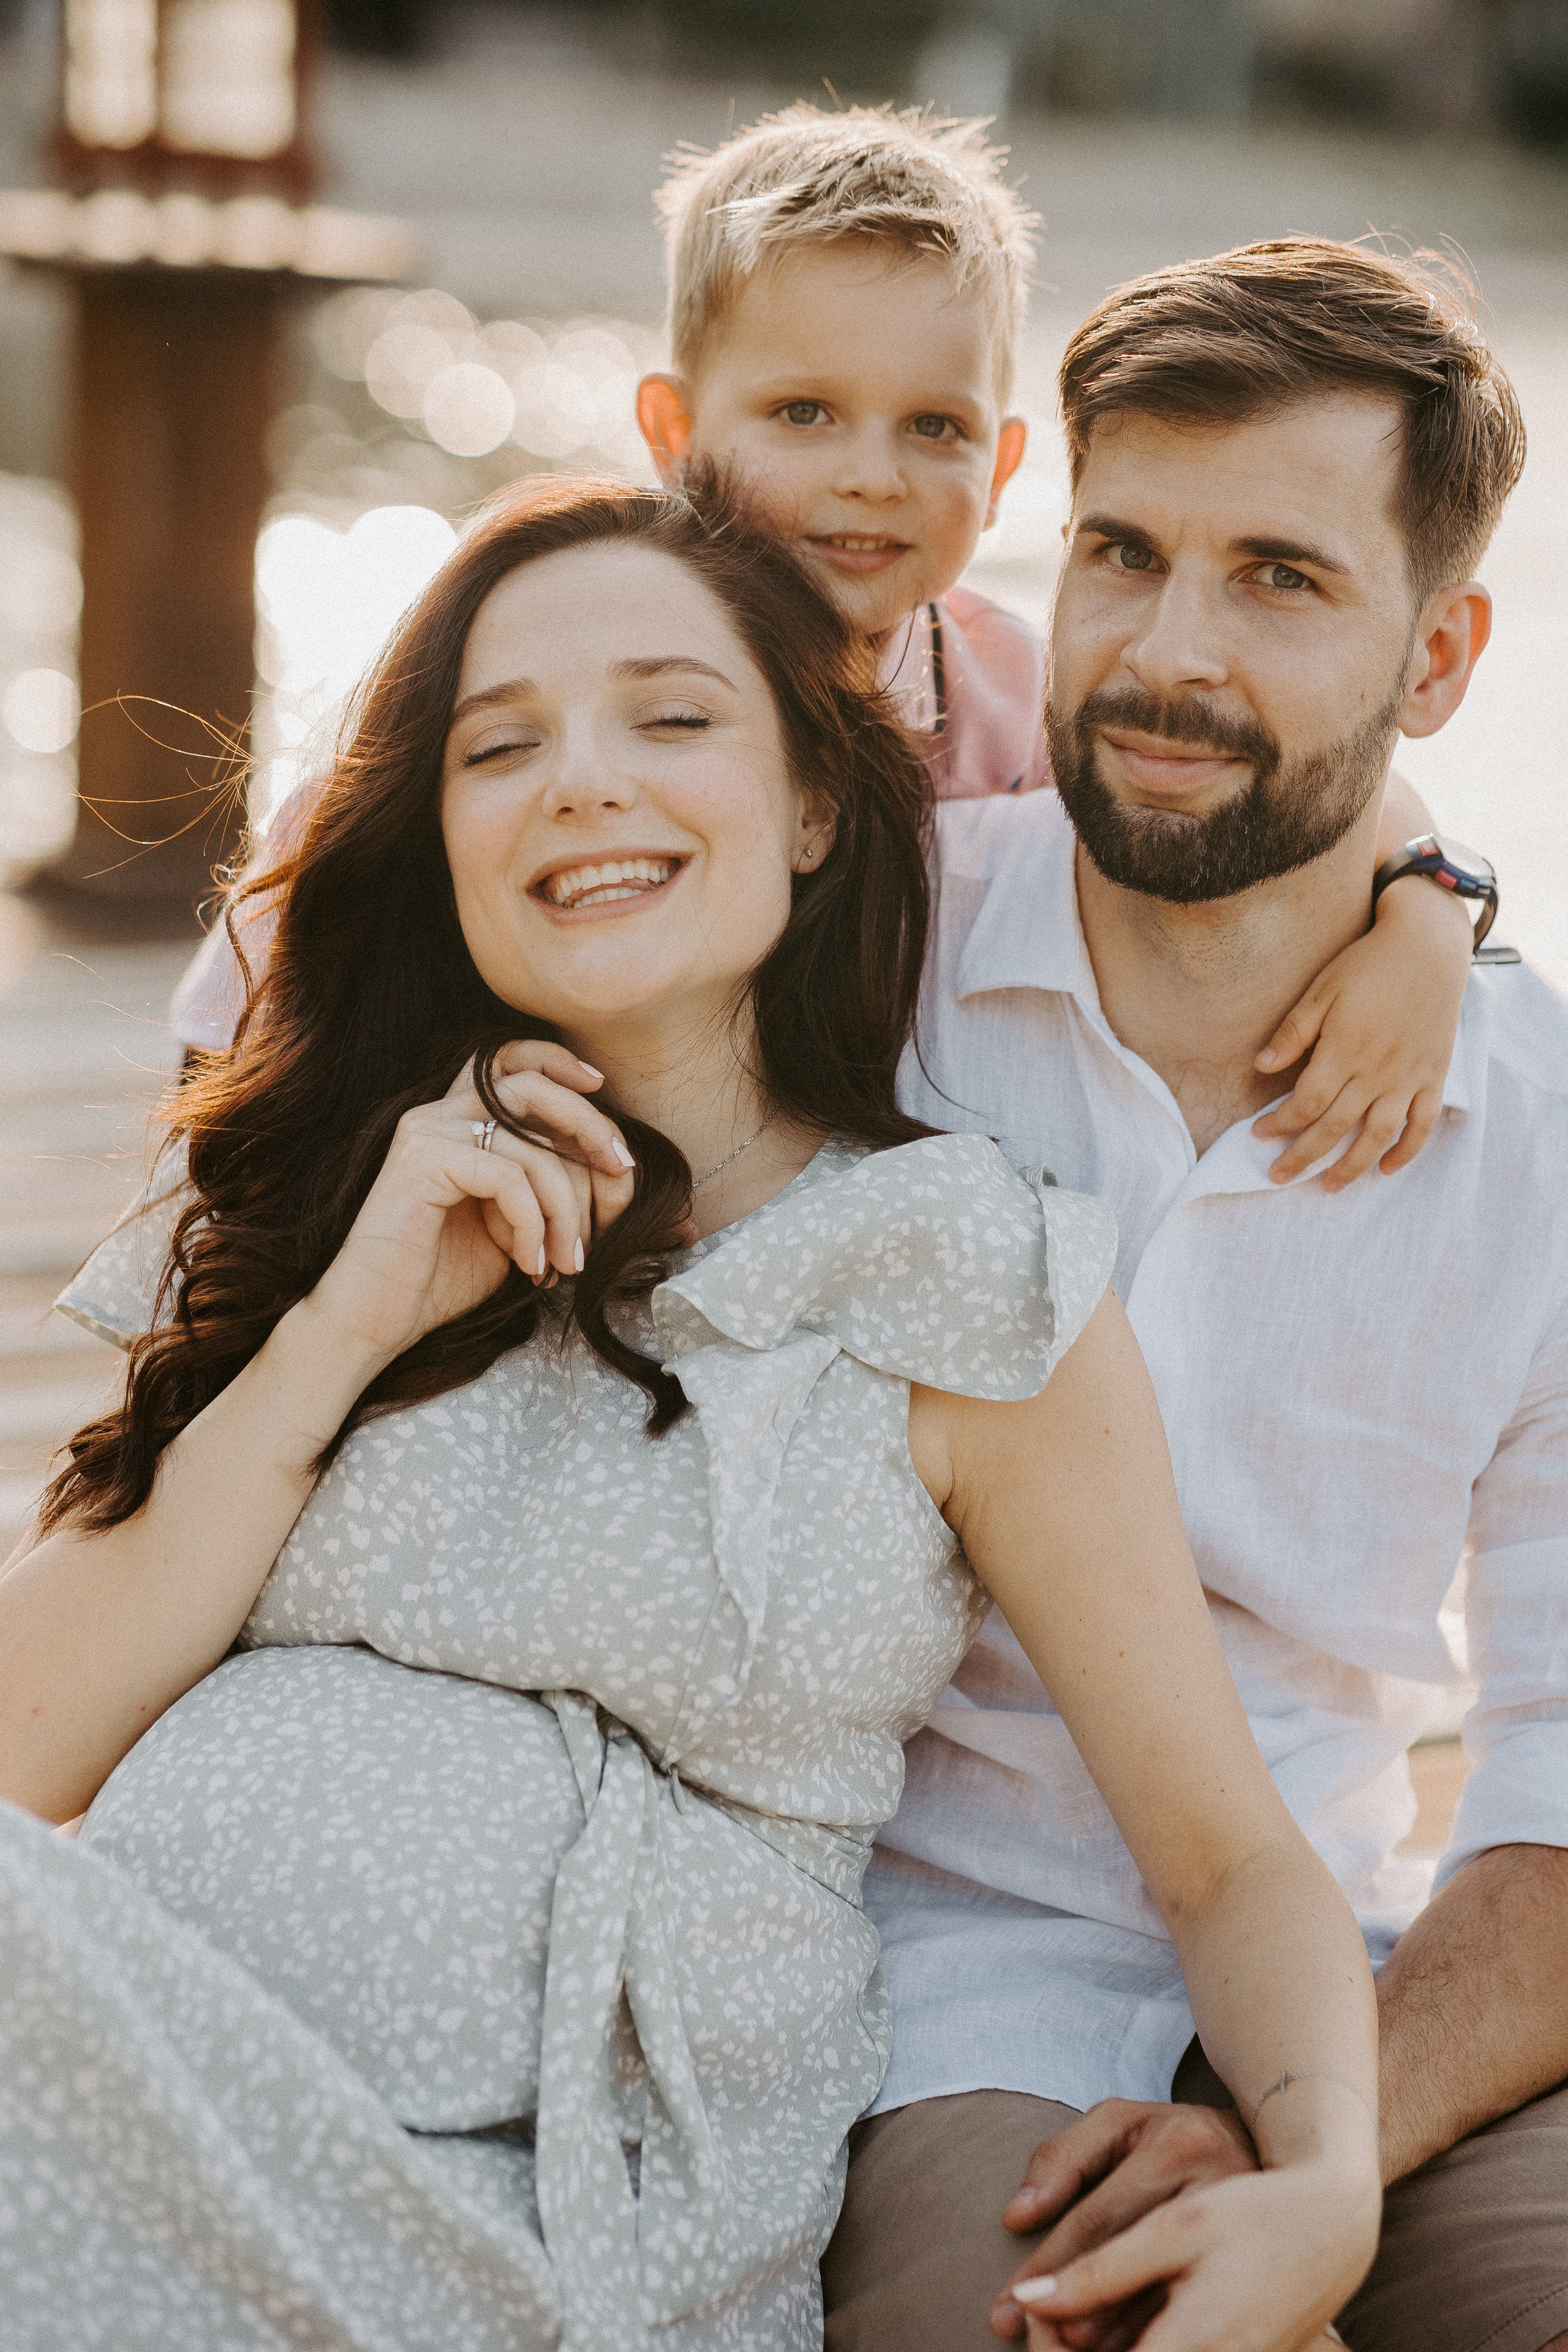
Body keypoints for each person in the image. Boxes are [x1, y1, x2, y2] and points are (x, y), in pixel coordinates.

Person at [0, 480, 1382, 2350]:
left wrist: (1323, 2183)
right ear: (443, 836)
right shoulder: (312, 1199)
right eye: (502, 747)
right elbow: (25, 1750)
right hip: (117, 2071)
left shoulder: (959, 1273)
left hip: (544, 2216)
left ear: (813, 806)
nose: (581, 780)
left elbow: (1229, 1858)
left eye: (669, 716)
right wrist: (345, 1327)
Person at [820, 241, 1568, 2352]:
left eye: (1282, 580)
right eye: (1123, 554)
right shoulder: (854, 976)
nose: (1165, 651)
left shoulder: (1542, 1140)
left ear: (1443, 664)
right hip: (932, 2000)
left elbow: (1557, 1784)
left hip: (1362, 1976)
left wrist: (1322, 2140)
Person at [172, 107, 1477, 1196]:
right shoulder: (534, 650)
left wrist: (1427, 904)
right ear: (672, 429)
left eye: (933, 428)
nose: (870, 479)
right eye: (802, 412)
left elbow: (1284, 752)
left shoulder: (1014, 697)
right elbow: (272, 959)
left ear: (1003, 461)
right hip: (532, 1167)